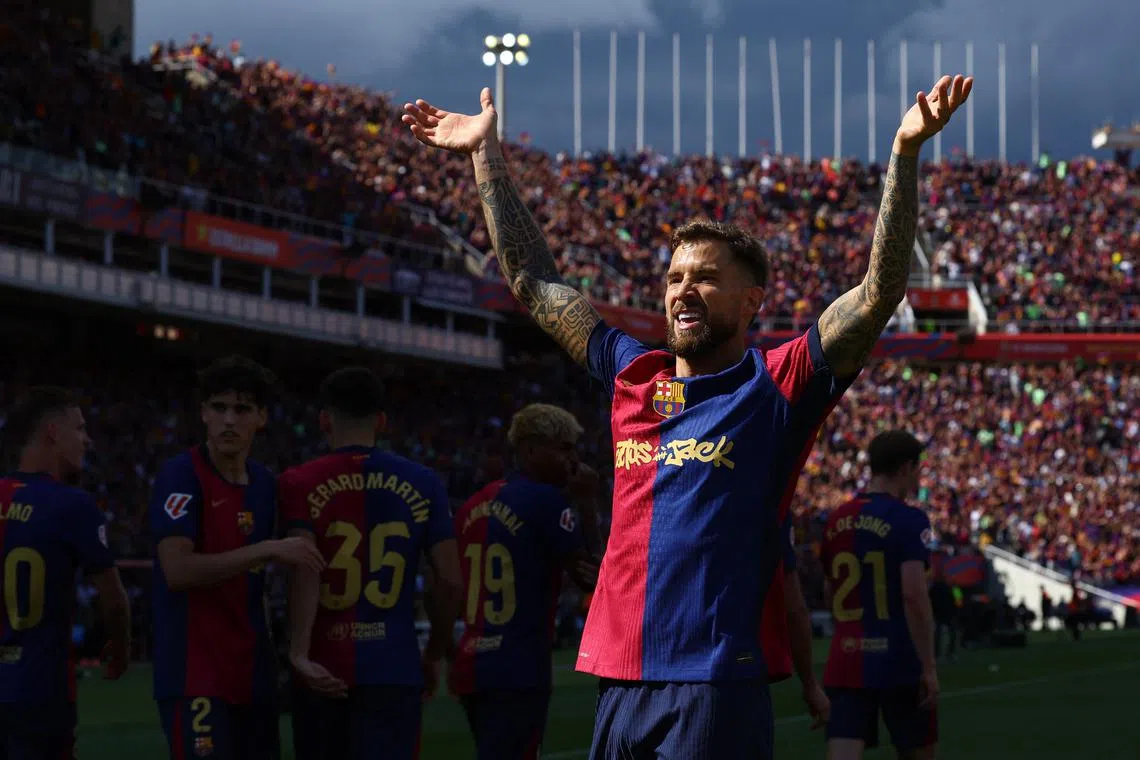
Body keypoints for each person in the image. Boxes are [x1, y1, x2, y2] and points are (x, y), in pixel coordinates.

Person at [402, 73, 971, 759]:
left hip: (714, 681)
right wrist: (483, 155)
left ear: (751, 299)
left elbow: (878, 293)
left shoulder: (776, 384)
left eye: (704, 276)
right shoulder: (630, 372)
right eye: (674, 277)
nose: (683, 290)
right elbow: (533, 283)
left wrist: (904, 156)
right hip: (617, 677)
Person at [149, 356, 325, 760]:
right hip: (194, 673)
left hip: (254, 676)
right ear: (204, 414)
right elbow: (177, 570)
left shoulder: (268, 485)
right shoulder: (181, 475)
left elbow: (305, 558)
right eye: (219, 407)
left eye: (242, 409)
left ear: (261, 417)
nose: (229, 419)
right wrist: (266, 548)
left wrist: (298, 652)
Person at [283, 366, 462, 760]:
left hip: (320, 667)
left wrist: (295, 653)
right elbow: (449, 579)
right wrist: (433, 652)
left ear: (324, 420)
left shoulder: (297, 482)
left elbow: (302, 567)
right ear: (381, 421)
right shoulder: (424, 481)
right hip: (394, 667)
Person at [450, 403, 601, 760]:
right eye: (564, 448)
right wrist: (587, 502)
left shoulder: (472, 503)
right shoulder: (547, 501)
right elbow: (592, 577)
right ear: (531, 449)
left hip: (471, 662)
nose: (574, 460)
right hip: (519, 667)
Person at [0, 386, 131, 760]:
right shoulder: (72, 505)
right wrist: (120, 651)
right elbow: (115, 601)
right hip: (39, 690)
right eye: (79, 428)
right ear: (53, 433)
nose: (87, 440)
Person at [820, 431, 938, 760]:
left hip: (846, 657)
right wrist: (928, 666)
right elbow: (913, 594)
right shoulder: (908, 519)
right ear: (905, 468)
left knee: (842, 752)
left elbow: (829, 592)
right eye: (918, 469)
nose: (918, 478)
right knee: (917, 750)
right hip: (898, 655)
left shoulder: (836, 520)